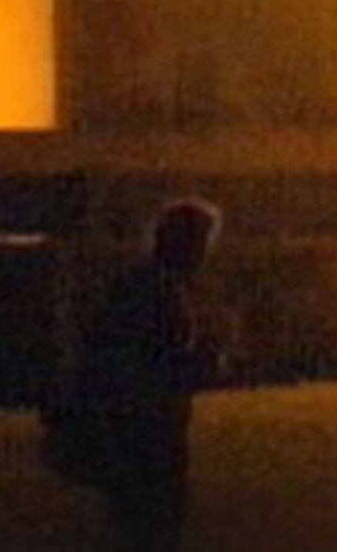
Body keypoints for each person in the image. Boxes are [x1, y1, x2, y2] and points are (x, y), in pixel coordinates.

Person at [79, 199, 223, 552]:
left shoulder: (136, 283)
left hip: (128, 428)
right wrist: (209, 356)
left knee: (137, 525)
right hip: (150, 431)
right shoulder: (162, 292)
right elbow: (165, 365)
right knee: (155, 525)